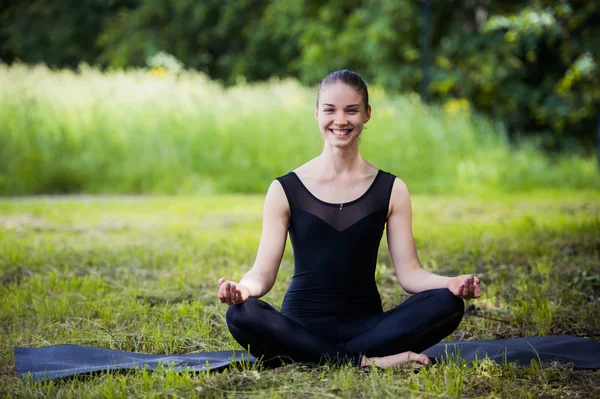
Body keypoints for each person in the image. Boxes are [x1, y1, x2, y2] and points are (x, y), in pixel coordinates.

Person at [217, 70, 481, 369]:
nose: (340, 120)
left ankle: (327, 357)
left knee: (447, 303)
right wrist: (243, 289)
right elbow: (262, 275)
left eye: (351, 110)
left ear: (367, 114)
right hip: (300, 328)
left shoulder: (392, 189)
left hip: (368, 328)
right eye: (330, 110)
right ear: (317, 113)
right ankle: (365, 362)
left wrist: (453, 283)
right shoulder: (285, 189)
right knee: (241, 313)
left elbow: (410, 275)